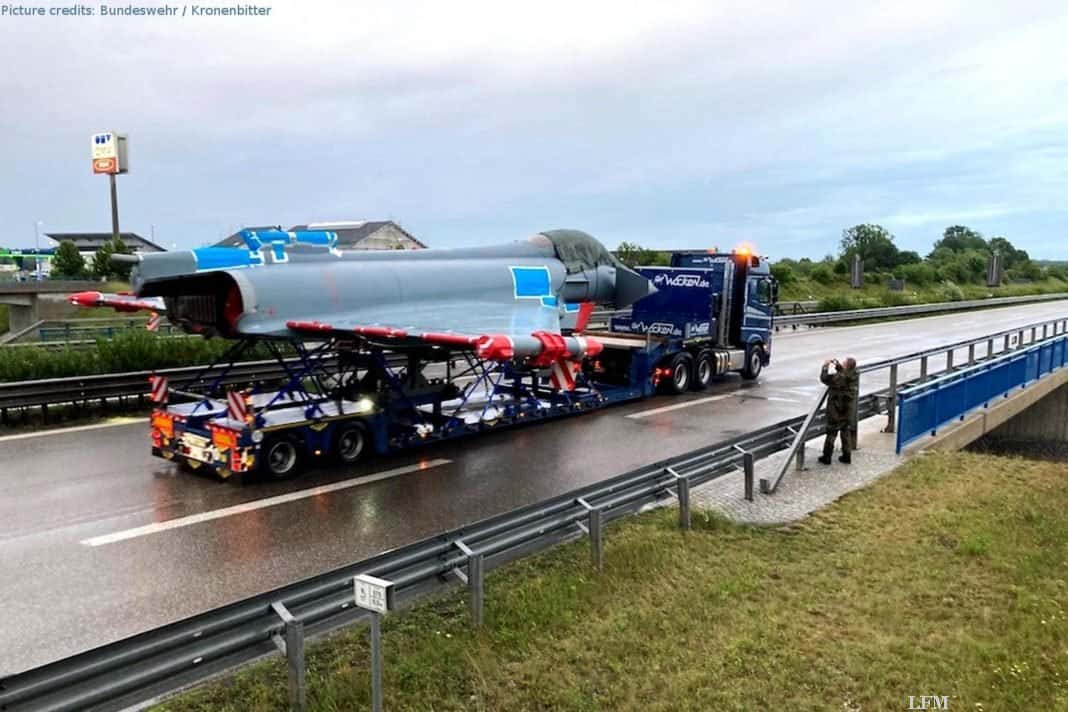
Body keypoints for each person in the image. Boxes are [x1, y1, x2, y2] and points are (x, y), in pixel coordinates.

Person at [818, 356, 858, 465]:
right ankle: (846, 456)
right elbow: (845, 374)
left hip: (836, 409)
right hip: (848, 409)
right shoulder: (854, 375)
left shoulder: (839, 378)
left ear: (846, 366)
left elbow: (825, 378)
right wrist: (838, 366)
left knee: (831, 432)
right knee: (845, 432)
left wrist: (825, 367)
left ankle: (827, 457)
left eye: (844, 363)